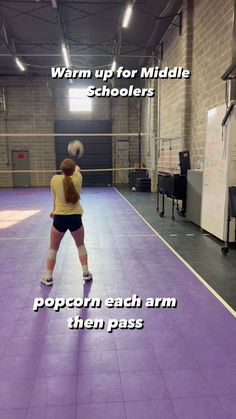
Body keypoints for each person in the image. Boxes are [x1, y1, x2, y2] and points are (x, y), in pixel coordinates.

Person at [41, 158, 93, 285]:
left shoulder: (55, 179)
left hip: (59, 219)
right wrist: (76, 168)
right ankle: (86, 273)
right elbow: (77, 171)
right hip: (75, 218)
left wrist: (54, 211)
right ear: (73, 169)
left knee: (53, 248)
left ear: (61, 169)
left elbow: (55, 197)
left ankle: (48, 277)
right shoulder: (78, 177)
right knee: (80, 245)